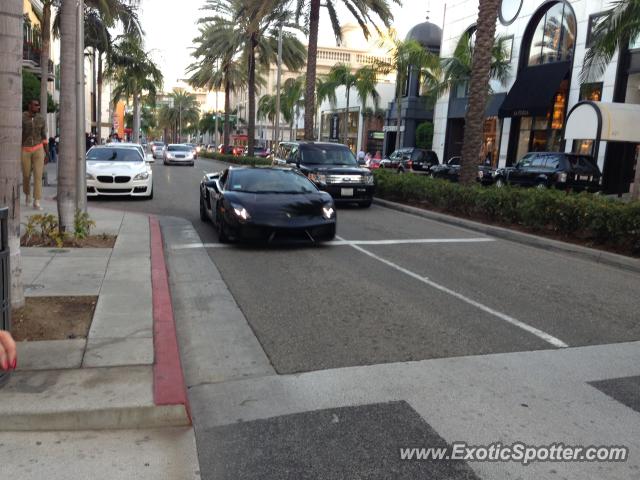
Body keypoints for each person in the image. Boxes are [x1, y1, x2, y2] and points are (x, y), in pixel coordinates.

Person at [22, 99, 48, 210]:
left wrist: (46, 153)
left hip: (38, 148)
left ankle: (36, 201)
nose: (38, 107)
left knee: (38, 176)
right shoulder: (22, 117)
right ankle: (27, 194)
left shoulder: (41, 119)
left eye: (38, 105)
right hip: (25, 149)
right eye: (35, 105)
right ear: (30, 106)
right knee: (26, 175)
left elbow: (44, 136)